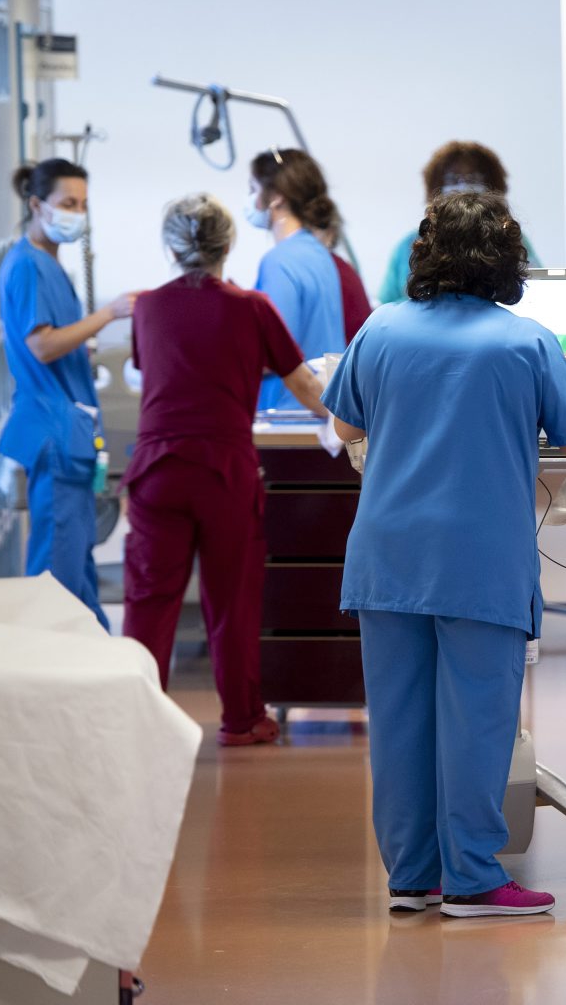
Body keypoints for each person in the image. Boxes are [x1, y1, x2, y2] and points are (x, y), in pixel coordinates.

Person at [323, 190, 566, 918]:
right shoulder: (522, 341)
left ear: (426, 252)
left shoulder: (380, 329)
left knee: (400, 720)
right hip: (476, 557)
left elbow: (344, 422)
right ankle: (472, 878)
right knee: (478, 718)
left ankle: (413, 877)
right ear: (506, 258)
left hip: (387, 555)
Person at [122, 194, 329, 747]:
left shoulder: (147, 308)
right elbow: (307, 388)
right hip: (223, 474)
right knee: (232, 602)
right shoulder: (254, 308)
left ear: (171, 245)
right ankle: (241, 720)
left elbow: (152, 372)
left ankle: (140, 725)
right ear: (229, 244)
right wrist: (360, 415)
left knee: (149, 603)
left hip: (157, 471)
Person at [0, 159, 136, 628]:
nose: (77, 213)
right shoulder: (30, 266)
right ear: (37, 205)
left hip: (70, 431)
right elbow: (42, 344)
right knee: (56, 580)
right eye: (67, 204)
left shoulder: (49, 264)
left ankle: (98, 669)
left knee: (77, 572)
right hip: (54, 431)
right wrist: (109, 313)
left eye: (83, 205)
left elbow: (60, 336)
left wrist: (86, 338)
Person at [377, 141, 540, 305]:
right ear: (435, 187)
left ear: (494, 186)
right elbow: (386, 303)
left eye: (474, 177)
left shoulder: (511, 238)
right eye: (453, 178)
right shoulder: (409, 246)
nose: (463, 186)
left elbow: (537, 290)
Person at [244, 148, 344, 410]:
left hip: (286, 414)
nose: (250, 199)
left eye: (253, 189)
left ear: (276, 197)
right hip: (321, 411)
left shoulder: (279, 262)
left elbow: (270, 356)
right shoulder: (320, 255)